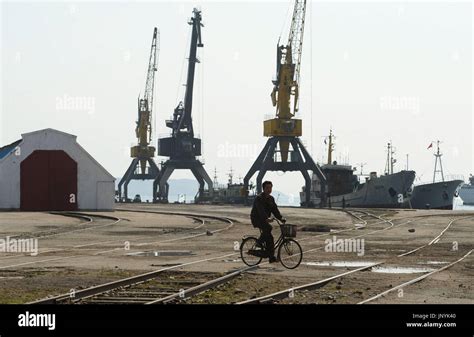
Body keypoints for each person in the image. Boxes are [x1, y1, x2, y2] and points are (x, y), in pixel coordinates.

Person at [250, 181, 286, 263]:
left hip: (265, 220)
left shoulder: (271, 199)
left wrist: (280, 218)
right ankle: (258, 243)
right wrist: (266, 218)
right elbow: (260, 210)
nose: (269, 189)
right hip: (257, 219)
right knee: (268, 228)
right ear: (263, 189)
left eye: (270, 188)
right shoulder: (259, 198)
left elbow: (275, 210)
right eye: (267, 188)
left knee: (270, 238)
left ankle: (271, 257)